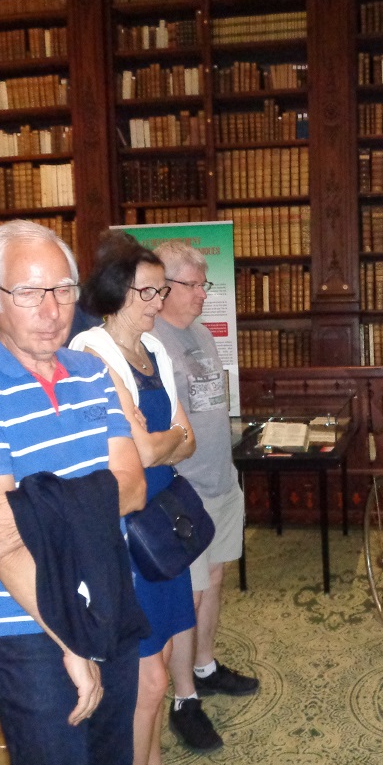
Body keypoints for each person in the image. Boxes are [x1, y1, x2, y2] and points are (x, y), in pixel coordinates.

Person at [0, 220, 149, 765]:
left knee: (112, 758)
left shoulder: (92, 372)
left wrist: (32, 508)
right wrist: (71, 642)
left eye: (62, 290)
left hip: (111, 598)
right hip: (29, 628)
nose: (51, 310)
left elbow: (134, 488)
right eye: (28, 292)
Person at [69, 230, 217, 765]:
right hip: (122, 533)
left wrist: (163, 441)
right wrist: (164, 442)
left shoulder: (152, 348)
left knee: (163, 662)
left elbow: (184, 440)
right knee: (147, 679)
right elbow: (143, 455)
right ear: (120, 294)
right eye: (150, 292)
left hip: (161, 525)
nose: (160, 302)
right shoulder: (91, 354)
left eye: (161, 291)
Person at [149, 241, 258, 709]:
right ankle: (184, 700)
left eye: (203, 284)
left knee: (214, 581)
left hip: (221, 481)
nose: (202, 294)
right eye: (194, 285)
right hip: (183, 494)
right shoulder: (152, 343)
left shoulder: (204, 335)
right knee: (186, 599)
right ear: (166, 287)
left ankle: (205, 666)